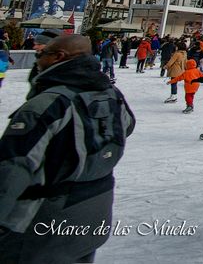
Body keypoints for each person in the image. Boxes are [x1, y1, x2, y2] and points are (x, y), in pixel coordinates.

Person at [0, 34, 135, 264]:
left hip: (44, 217)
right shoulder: (112, 93)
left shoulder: (50, 103)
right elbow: (127, 125)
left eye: (41, 54)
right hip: (96, 209)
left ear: (58, 57)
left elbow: (14, 167)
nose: (37, 58)